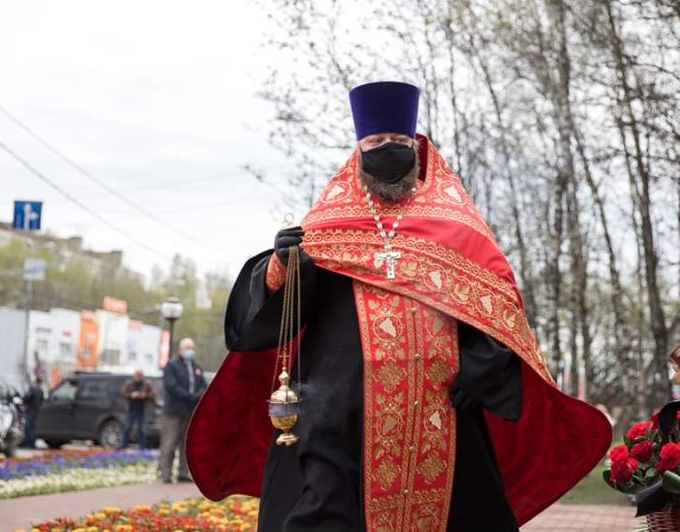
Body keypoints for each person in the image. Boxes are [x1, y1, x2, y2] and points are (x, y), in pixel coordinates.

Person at [186, 81, 611, 531]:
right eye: (375, 142)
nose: (387, 149)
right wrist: (280, 267)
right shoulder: (328, 224)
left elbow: (497, 307)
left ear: (416, 146)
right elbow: (279, 316)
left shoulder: (456, 226)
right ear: (358, 150)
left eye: (398, 141)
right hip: (338, 419)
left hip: (441, 415)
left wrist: (481, 368)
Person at [160, 338, 206, 483]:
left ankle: (183, 472)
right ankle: (166, 473)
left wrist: (197, 395)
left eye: (192, 348)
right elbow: (171, 386)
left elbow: (203, 384)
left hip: (189, 411)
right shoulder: (172, 365)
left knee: (186, 444)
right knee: (170, 442)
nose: (190, 351)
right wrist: (189, 396)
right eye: (187, 348)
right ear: (180, 349)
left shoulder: (196, 367)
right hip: (174, 411)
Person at [119, 369, 154, 450]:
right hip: (130, 409)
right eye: (137, 375)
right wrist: (131, 395)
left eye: (140, 375)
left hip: (141, 409)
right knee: (127, 428)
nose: (139, 377)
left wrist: (145, 395)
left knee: (141, 429)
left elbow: (152, 395)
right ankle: (124, 446)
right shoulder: (129, 383)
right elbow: (123, 393)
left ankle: (142, 447)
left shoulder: (146, 384)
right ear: (134, 375)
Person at [21, 377, 44, 449]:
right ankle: (32, 443)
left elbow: (27, 397)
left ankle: (28, 443)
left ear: (35, 381)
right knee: (33, 427)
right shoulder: (41, 390)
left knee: (28, 427)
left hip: (30, 410)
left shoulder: (33, 389)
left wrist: (23, 402)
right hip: (37, 411)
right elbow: (42, 401)